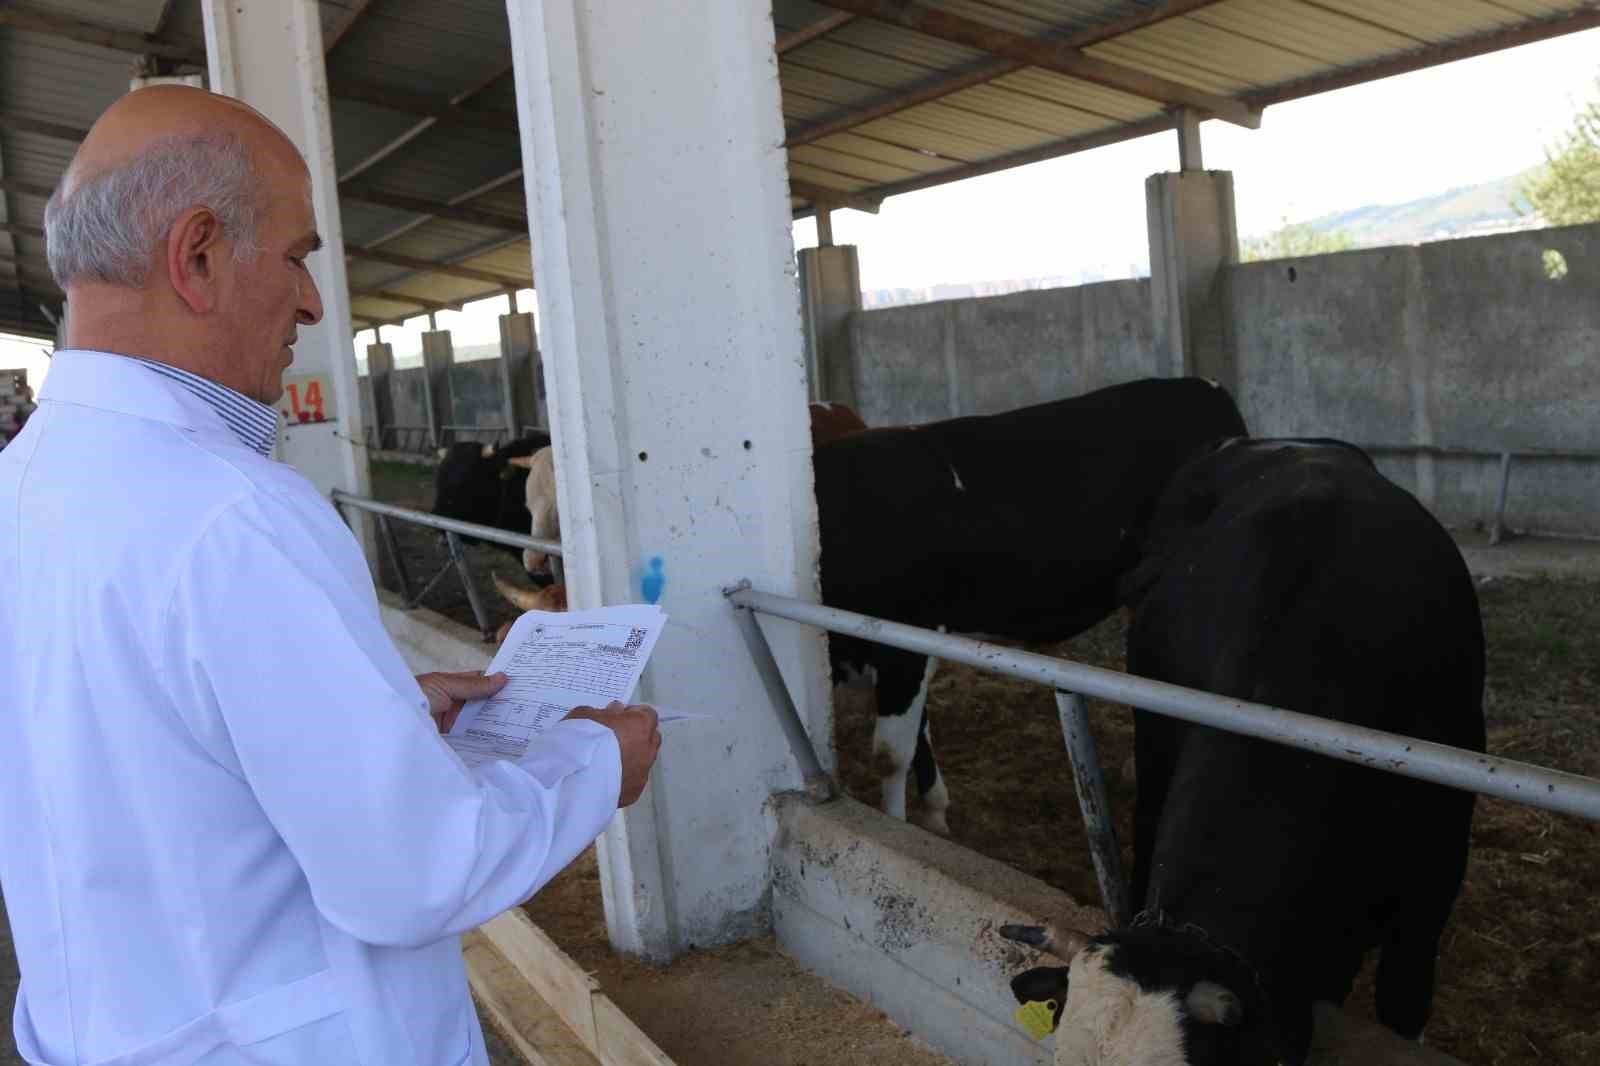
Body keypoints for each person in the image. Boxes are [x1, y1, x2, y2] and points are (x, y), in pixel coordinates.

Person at [0, 85, 662, 1065]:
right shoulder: (235, 514)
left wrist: (376, 713)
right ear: (198, 256)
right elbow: (412, 872)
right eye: (298, 255)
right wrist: (597, 761)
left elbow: (131, 745)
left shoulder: (22, 482)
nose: (312, 299)